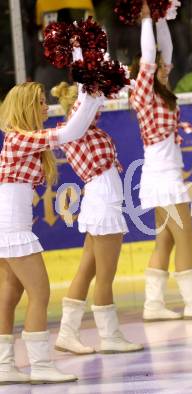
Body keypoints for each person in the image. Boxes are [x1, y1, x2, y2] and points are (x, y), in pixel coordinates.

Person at [0, 82, 103, 384]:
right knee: (39, 292)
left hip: (9, 224)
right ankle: (41, 364)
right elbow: (70, 132)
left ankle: (5, 366)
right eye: (41, 102)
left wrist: (91, 99)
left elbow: (71, 131)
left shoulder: (21, 139)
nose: (46, 107)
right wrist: (89, 95)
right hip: (10, 227)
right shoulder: (20, 139)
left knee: (9, 295)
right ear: (27, 106)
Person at [130, 2, 192, 321]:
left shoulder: (163, 89)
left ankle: (153, 305)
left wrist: (161, 18)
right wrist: (145, 20)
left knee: (166, 239)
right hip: (162, 176)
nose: (163, 67)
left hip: (163, 174)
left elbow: (164, 51)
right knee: (185, 235)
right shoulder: (142, 94)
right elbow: (148, 57)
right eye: (157, 67)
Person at [52, 45, 143, 355]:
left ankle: (67, 333)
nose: (97, 107)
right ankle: (109, 336)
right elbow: (86, 94)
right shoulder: (74, 125)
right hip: (102, 201)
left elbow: (90, 94)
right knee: (105, 276)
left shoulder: (83, 126)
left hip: (101, 199)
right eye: (91, 103)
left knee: (88, 270)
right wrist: (79, 51)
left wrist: (88, 50)